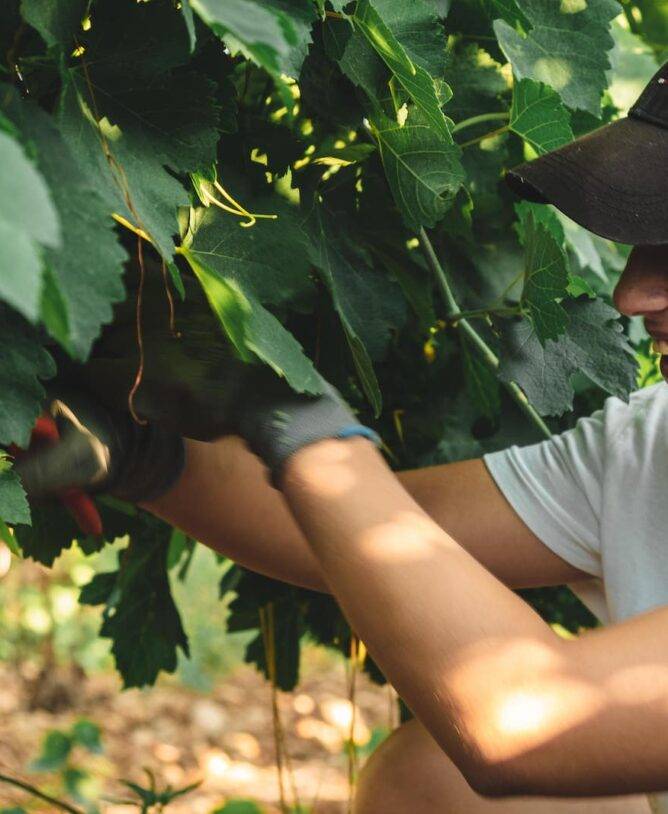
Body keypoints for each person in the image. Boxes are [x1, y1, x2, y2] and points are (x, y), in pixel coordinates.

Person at [13, 64, 668, 813]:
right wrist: (143, 457)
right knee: (428, 781)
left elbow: (525, 723)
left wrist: (294, 415)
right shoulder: (656, 443)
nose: (633, 294)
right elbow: (387, 536)